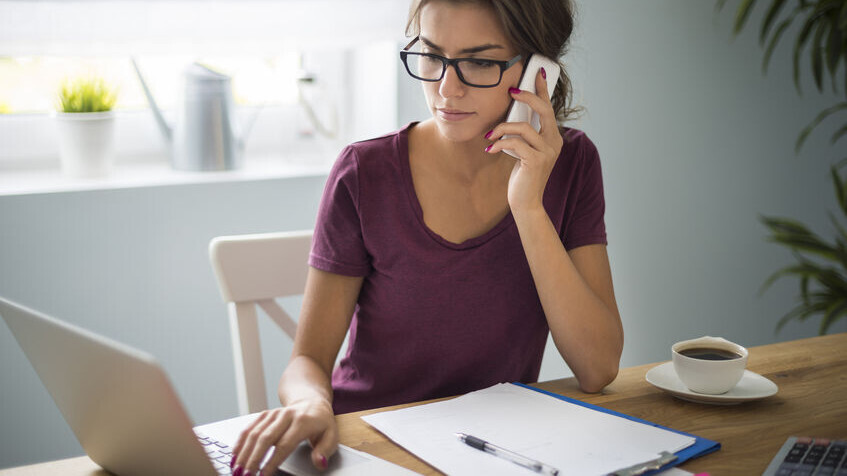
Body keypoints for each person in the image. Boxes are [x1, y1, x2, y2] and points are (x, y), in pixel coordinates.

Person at [230, 0, 623, 474]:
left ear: (539, 73)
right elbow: (308, 360)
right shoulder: (362, 173)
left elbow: (597, 368)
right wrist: (312, 402)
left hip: (490, 451)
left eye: (479, 61)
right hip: (366, 447)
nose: (445, 88)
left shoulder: (572, 165)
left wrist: (528, 207)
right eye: (432, 55)